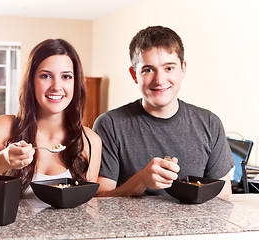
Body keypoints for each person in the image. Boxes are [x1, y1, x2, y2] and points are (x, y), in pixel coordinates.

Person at [0, 39, 102, 202]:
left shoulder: (91, 141)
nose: (56, 86)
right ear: (31, 82)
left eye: (66, 76)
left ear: (76, 83)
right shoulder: (1, 128)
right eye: (45, 76)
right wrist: (1, 162)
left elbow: (86, 206)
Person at [92, 26, 234, 199]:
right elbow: (99, 202)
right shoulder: (110, 124)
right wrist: (141, 181)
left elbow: (223, 197)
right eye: (148, 70)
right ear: (134, 75)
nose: (159, 80)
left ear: (183, 69)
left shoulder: (210, 124)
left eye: (169, 68)